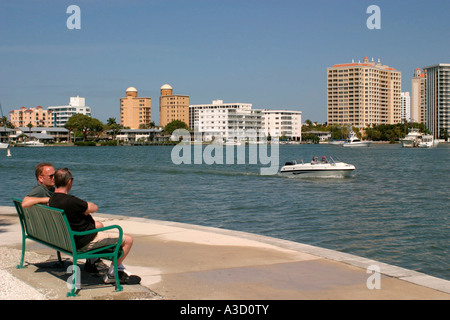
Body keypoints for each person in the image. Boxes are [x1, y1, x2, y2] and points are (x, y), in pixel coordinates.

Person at [48, 168, 134, 284]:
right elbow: (93, 207)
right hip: (83, 242)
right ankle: (112, 275)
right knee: (128, 240)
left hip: (65, 241)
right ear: (69, 182)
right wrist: (86, 209)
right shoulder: (71, 201)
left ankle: (92, 263)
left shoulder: (52, 199)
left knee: (98, 226)